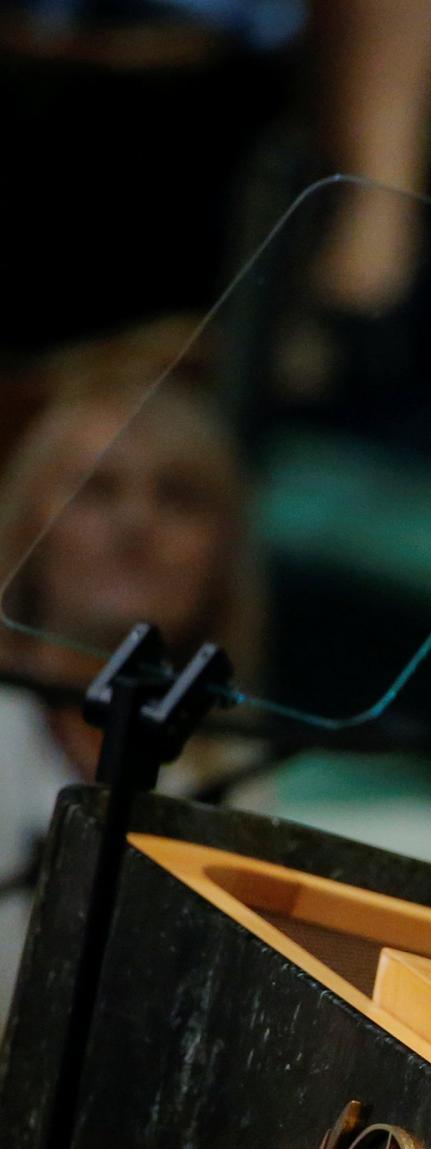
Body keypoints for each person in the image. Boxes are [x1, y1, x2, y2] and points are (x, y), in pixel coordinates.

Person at [0, 351, 263, 1011]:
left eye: (178, 496)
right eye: (97, 489)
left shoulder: (243, 779)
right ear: (29, 524)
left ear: (224, 552)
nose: (136, 522)